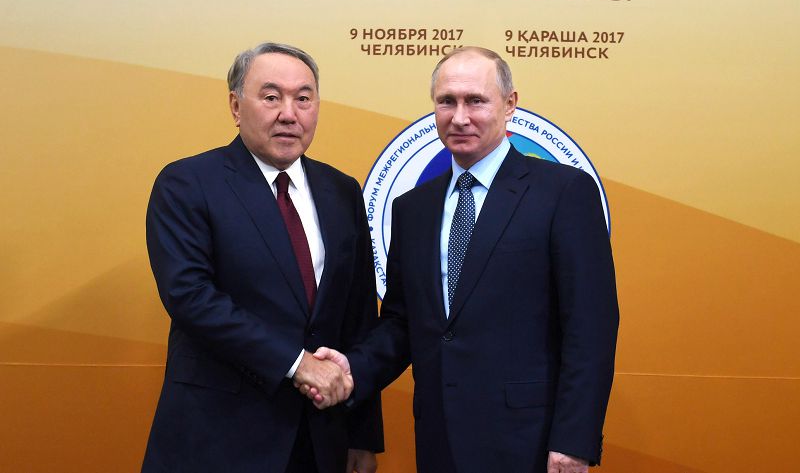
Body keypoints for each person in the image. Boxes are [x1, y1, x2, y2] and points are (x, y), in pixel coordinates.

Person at [306, 47, 619, 473]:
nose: (459, 117)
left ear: (509, 104)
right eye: (446, 101)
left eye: (476, 101)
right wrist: (353, 368)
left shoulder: (563, 192)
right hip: (440, 441)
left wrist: (574, 441)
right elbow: (402, 323)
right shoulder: (413, 208)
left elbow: (590, 328)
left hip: (532, 444)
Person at [142, 42, 382, 473]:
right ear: (236, 106)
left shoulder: (341, 191)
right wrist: (297, 364)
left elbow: (358, 315)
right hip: (218, 436)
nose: (289, 114)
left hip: (320, 439)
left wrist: (362, 435)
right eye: (271, 97)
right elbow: (191, 297)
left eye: (303, 98)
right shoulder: (188, 183)